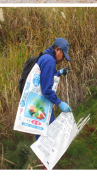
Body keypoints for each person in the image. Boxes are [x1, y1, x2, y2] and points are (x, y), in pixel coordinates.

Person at [34, 37, 72, 169]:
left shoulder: (45, 57)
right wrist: (60, 103)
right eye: (63, 55)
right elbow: (46, 90)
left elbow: (46, 75)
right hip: (42, 106)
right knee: (46, 138)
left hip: (38, 105)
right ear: (58, 50)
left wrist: (59, 72)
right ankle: (45, 166)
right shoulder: (50, 61)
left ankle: (45, 164)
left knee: (43, 136)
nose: (62, 59)